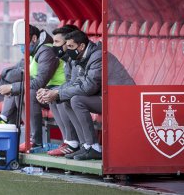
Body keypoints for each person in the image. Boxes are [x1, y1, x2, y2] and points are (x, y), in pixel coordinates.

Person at [38, 30, 134, 160]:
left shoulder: (97, 56)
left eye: (71, 47)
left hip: (122, 99)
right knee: (67, 99)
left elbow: (88, 87)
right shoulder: (82, 57)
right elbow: (75, 83)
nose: (68, 50)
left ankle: (93, 146)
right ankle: (86, 146)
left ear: (81, 46)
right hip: (106, 97)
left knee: (76, 100)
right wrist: (53, 91)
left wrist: (58, 93)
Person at [0, 26, 63, 152]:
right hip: (44, 92)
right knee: (20, 90)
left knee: (26, 91)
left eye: (23, 43)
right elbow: (14, 72)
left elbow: (39, 82)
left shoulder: (45, 51)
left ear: (34, 38)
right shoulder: (33, 51)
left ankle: (35, 141)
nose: (21, 47)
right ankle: (26, 137)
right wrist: (12, 85)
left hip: (57, 92)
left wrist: (11, 86)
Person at [37, 25, 85, 157]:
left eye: (57, 42)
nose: (54, 46)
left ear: (68, 43)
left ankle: (73, 143)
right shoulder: (66, 60)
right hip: (80, 92)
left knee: (62, 98)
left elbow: (76, 84)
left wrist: (57, 92)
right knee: (53, 96)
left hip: (90, 95)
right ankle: (67, 140)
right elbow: (70, 83)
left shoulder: (76, 60)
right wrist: (51, 91)